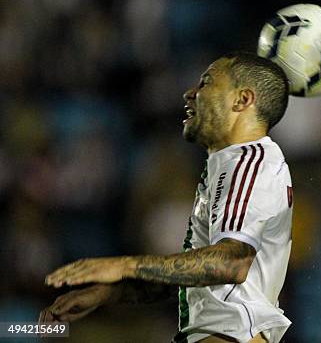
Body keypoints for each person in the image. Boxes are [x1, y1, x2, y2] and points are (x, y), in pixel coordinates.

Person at [40, 52, 294, 343]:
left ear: (242, 100)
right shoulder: (230, 165)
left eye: (206, 83)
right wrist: (111, 292)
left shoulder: (249, 162)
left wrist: (124, 265)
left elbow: (230, 264)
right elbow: (195, 276)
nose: (190, 93)